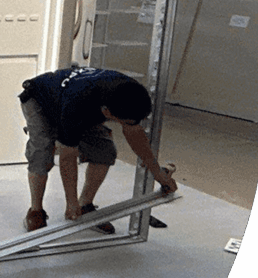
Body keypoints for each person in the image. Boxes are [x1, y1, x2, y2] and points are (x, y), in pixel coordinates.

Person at [18, 66, 177, 233]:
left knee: (104, 151)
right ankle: (36, 211)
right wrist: (70, 202)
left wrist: (158, 173)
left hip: (80, 101)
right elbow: (67, 156)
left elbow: (134, 134)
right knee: (41, 153)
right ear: (106, 112)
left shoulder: (131, 93)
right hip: (40, 99)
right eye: (124, 121)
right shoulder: (76, 105)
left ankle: (85, 205)